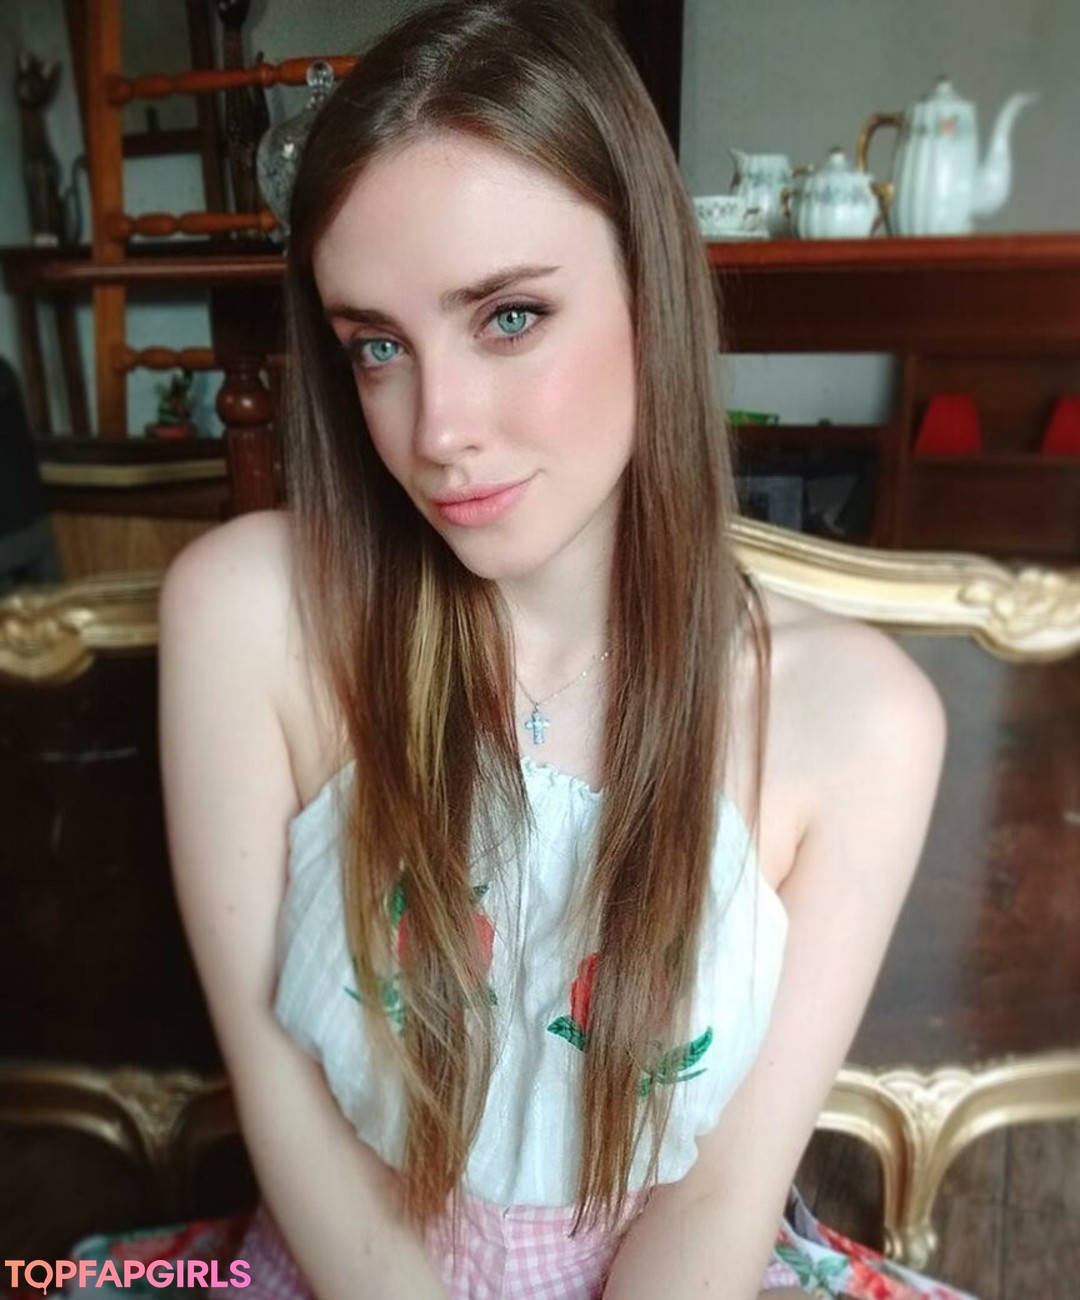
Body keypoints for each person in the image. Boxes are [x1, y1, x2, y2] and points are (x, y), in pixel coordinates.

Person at [140, 1, 968, 1297]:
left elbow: (719, 1199)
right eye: (377, 346)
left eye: (510, 317)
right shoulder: (243, 614)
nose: (437, 430)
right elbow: (278, 1087)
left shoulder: (863, 720)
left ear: (651, 287)